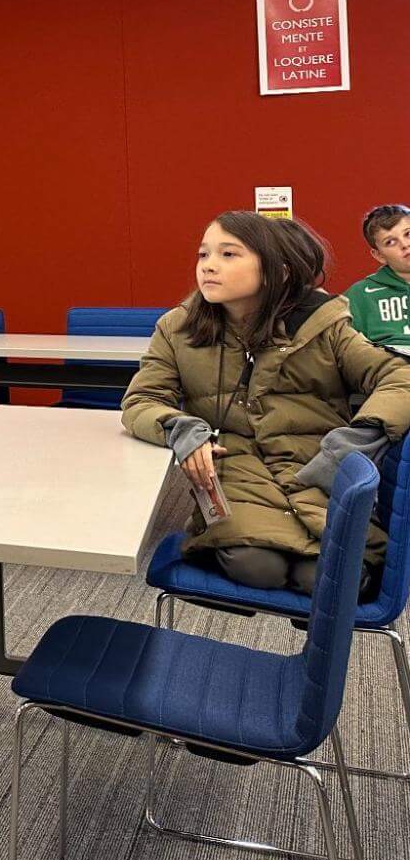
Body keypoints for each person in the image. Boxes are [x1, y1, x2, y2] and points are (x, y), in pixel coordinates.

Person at [122, 211, 410, 594]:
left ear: (279, 270)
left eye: (228, 255)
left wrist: (360, 437)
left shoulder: (323, 326)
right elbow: (142, 399)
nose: (208, 266)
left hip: (317, 466)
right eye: (203, 254)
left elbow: (400, 377)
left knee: (332, 579)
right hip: (235, 468)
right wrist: (181, 427)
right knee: (258, 568)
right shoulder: (179, 328)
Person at [346, 203, 410, 358]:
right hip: (391, 370)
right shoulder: (359, 295)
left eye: (408, 234)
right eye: (390, 242)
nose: (405, 245)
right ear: (379, 255)